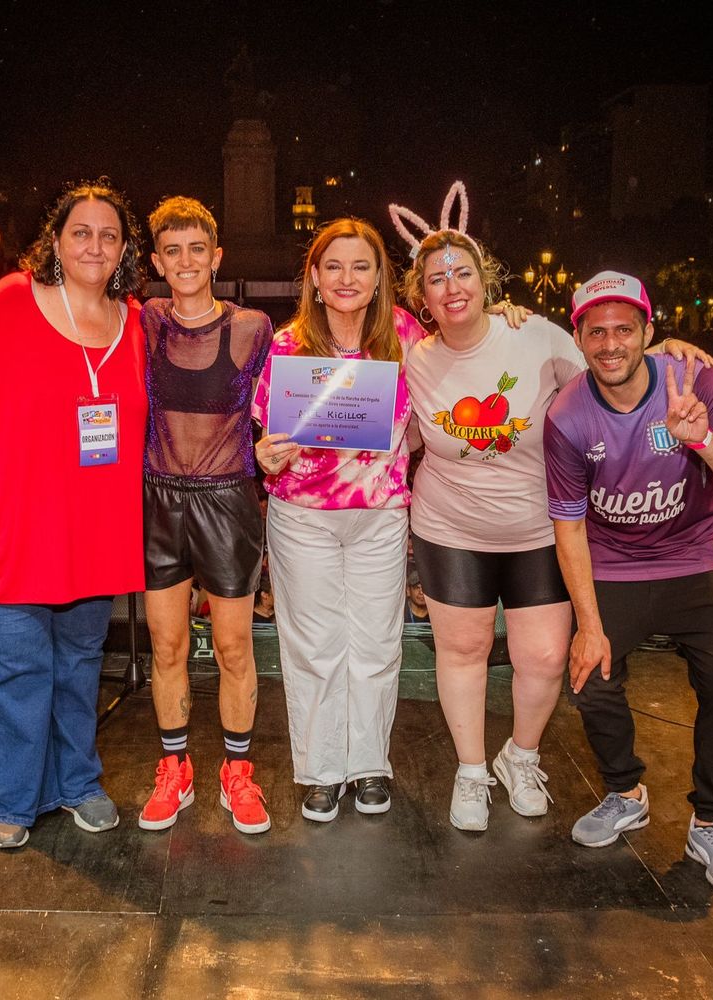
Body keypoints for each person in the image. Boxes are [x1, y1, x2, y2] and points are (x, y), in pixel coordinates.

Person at [399, 224, 713, 831]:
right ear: (424, 294)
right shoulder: (415, 359)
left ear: (484, 280)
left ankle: (520, 756)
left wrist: (666, 349)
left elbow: (613, 371)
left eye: (462, 273)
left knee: (543, 658)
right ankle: (470, 772)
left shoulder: (534, 335)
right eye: (436, 279)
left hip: (542, 527)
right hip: (450, 527)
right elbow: (403, 433)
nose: (451, 286)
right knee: (462, 650)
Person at [0, 180, 147, 848]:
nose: (94, 245)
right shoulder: (12, 299)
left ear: (124, 249)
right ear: (56, 240)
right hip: (14, 526)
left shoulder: (132, 319)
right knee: (16, 670)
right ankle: (14, 801)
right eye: (81, 231)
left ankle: (77, 782)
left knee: (79, 663)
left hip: (91, 533)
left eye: (109, 234)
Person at [544, 271, 713, 892]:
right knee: (591, 680)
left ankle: (711, 821)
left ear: (649, 331)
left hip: (696, 556)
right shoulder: (567, 416)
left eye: (624, 329)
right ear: (579, 339)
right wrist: (589, 626)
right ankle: (625, 792)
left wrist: (704, 441)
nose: (611, 343)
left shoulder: (696, 381)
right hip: (613, 561)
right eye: (596, 332)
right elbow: (567, 528)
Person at [252, 218, 423, 822]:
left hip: (380, 517)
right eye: (334, 267)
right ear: (315, 280)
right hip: (303, 516)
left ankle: (369, 764)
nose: (347, 278)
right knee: (314, 647)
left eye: (360, 266)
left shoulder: (408, 337)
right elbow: (267, 438)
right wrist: (265, 456)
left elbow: (462, 374)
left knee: (377, 643)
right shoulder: (285, 343)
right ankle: (322, 771)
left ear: (380, 278)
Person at [134, 196, 275, 836]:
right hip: (158, 499)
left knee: (233, 648)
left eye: (197, 249)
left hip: (226, 500)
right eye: (173, 250)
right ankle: (176, 769)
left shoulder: (254, 328)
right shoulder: (144, 320)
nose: (185, 261)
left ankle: (237, 774)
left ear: (216, 257)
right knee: (166, 647)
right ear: (157, 260)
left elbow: (284, 405)